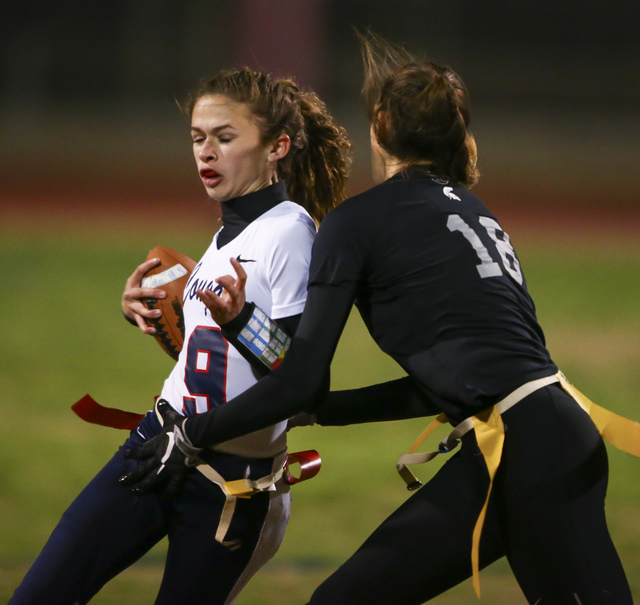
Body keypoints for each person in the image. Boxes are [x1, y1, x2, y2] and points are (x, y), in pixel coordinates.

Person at [121, 32, 638, 605]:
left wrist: (192, 433)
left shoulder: (358, 222)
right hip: (552, 436)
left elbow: (302, 379)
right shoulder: (471, 208)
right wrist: (321, 410)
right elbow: (438, 387)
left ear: (380, 128)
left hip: (519, 452)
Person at [10, 67, 351, 605]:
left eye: (224, 137)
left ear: (277, 147)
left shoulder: (290, 232)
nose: (205, 153)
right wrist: (154, 312)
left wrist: (239, 323)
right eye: (197, 138)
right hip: (156, 444)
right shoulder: (226, 235)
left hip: (228, 483)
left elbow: (300, 381)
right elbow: (218, 359)